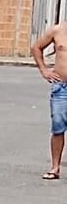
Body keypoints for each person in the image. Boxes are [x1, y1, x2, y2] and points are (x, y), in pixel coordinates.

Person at [32, 23, 67, 179]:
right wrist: (44, 70)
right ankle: (55, 167)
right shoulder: (57, 30)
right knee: (58, 127)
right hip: (61, 87)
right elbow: (36, 47)